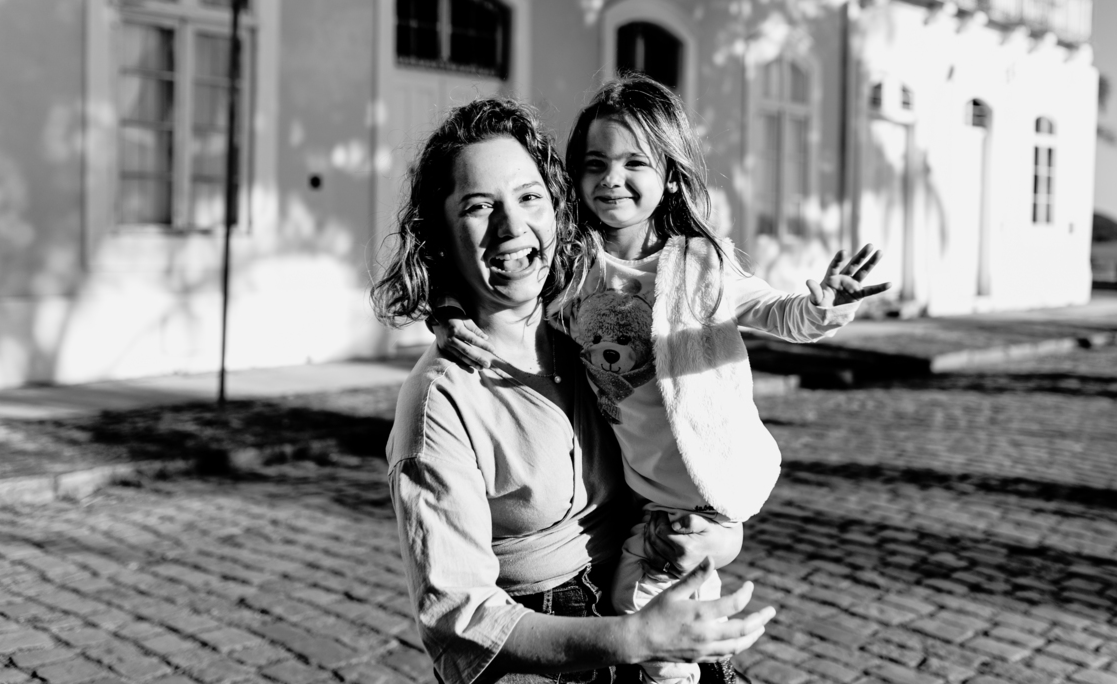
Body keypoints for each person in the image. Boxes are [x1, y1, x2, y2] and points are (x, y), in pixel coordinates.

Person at [434, 76, 890, 684]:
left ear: (670, 176)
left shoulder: (700, 265)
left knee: (645, 614)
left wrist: (824, 306)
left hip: (695, 490)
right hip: (638, 492)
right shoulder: (573, 262)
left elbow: (778, 312)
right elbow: (500, 277)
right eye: (595, 164)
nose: (612, 179)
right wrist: (447, 313)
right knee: (663, 614)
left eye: (634, 163)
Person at [372, 97, 776, 684]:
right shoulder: (440, 403)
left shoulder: (583, 332)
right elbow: (459, 624)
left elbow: (671, 458)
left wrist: (715, 536)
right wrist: (634, 638)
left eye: (529, 197)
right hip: (549, 657)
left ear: (558, 208)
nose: (512, 227)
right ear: (439, 233)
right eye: (479, 206)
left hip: (652, 604)